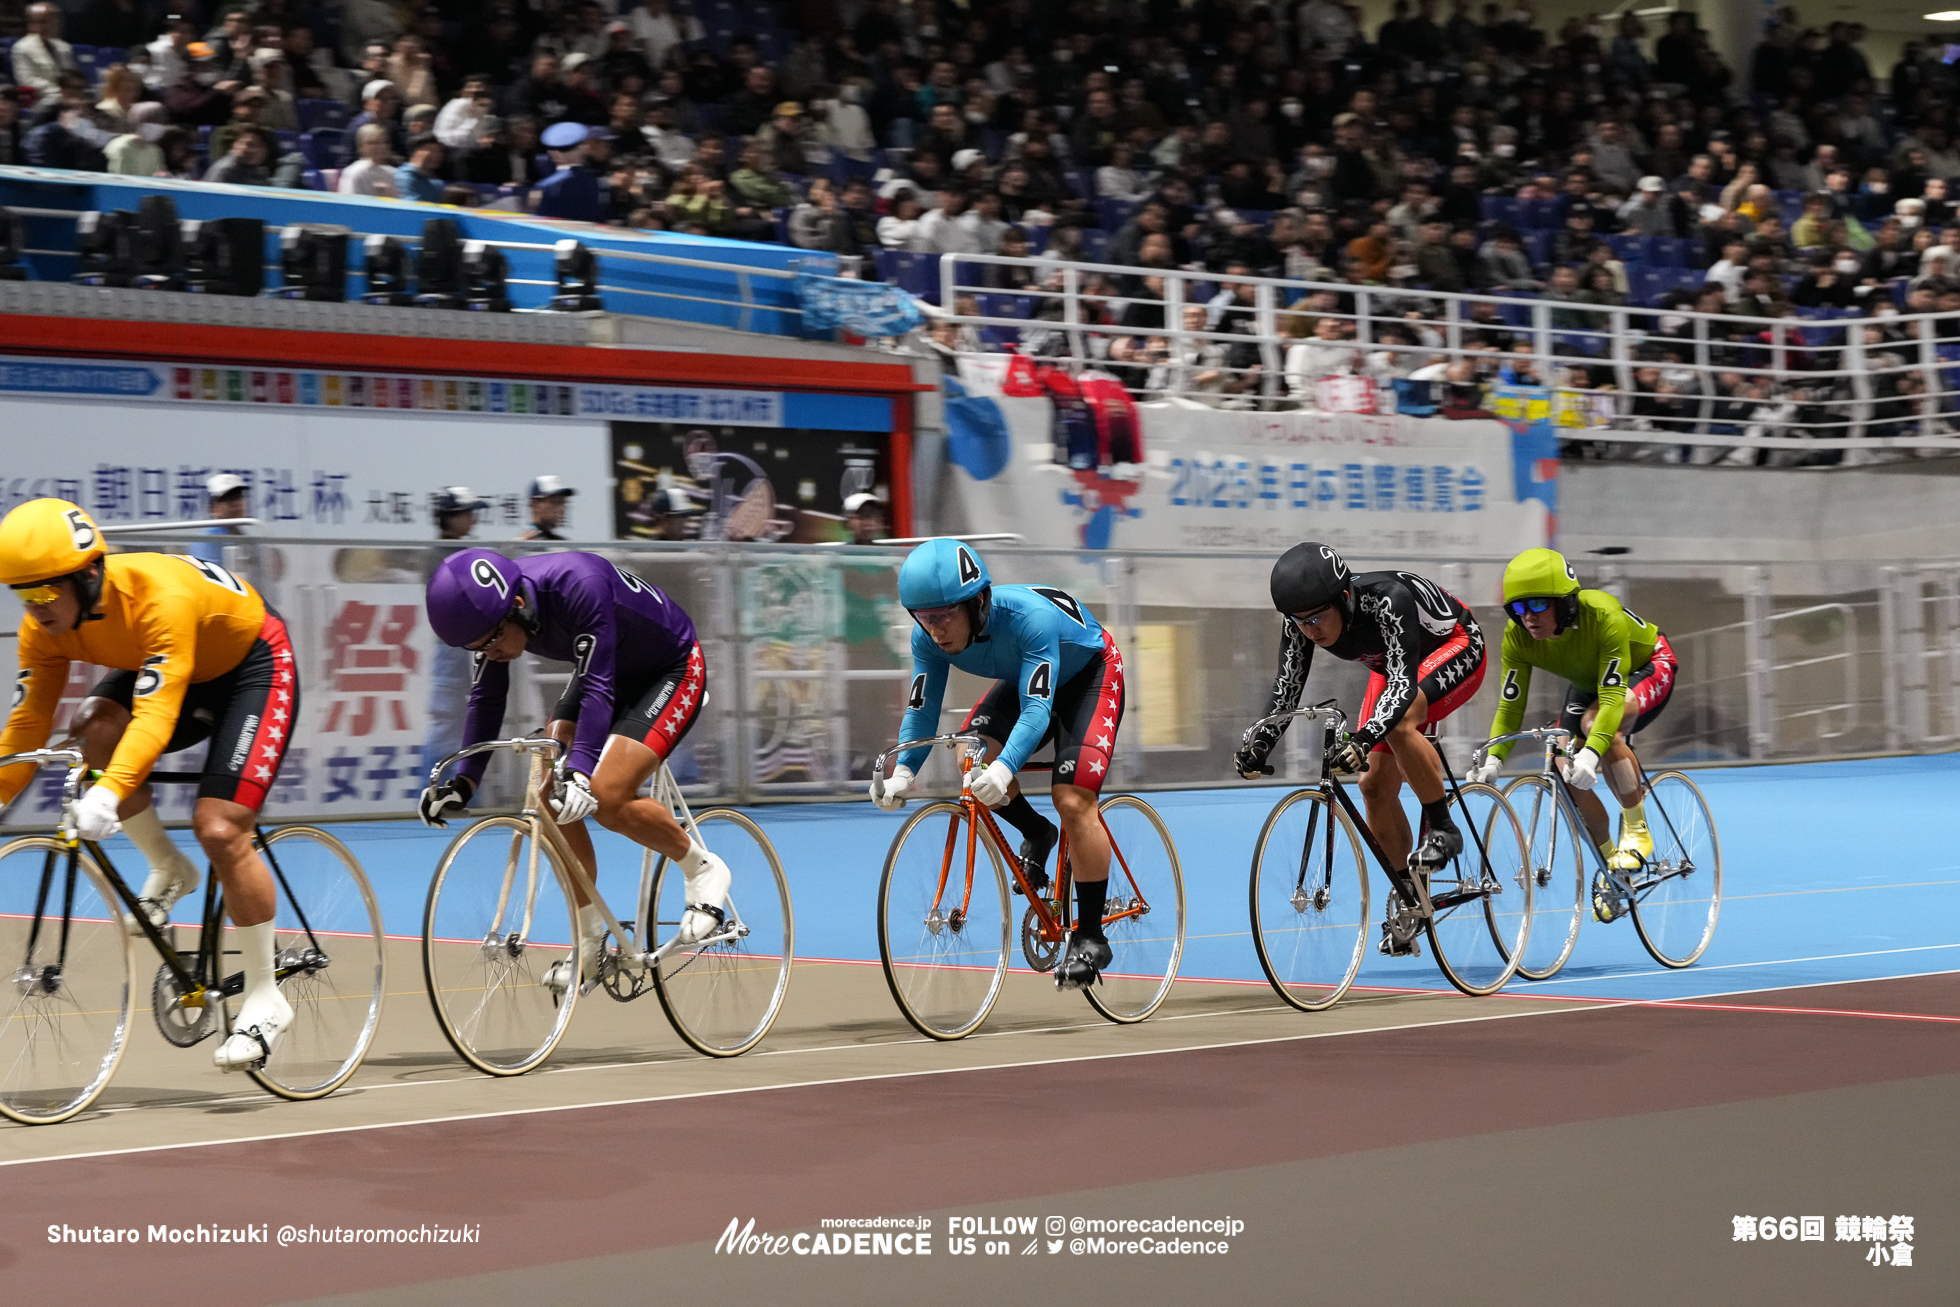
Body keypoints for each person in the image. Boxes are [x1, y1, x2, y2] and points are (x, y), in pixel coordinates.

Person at [0, 499, 298, 1071]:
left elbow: (155, 716)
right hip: (177, 666)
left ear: (88, 576)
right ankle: (169, 867)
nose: (34, 610)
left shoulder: (156, 596)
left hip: (253, 664)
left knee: (219, 826)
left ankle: (265, 995)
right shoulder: (47, 629)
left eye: (42, 594)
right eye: (22, 597)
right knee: (92, 730)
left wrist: (108, 793)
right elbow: (26, 726)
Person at [418, 549, 729, 997]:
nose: (490, 653)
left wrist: (581, 771)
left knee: (608, 793)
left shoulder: (575, 584)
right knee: (546, 795)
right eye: (478, 649)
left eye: (491, 642)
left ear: (517, 607)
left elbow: (599, 687)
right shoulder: (497, 617)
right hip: (608, 665)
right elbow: (485, 698)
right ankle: (589, 943)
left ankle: (703, 868)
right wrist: (464, 781)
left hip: (671, 668)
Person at [872, 540, 1127, 989]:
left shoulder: (1030, 620)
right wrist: (903, 773)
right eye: (924, 617)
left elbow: (1036, 709)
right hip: (1027, 676)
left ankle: (1090, 936)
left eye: (945, 615)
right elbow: (922, 709)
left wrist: (1007, 767)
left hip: (1090, 674)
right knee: (970, 757)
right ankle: (1036, 832)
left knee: (1071, 798)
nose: (935, 630)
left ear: (979, 602)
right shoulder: (927, 637)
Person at [1233, 544, 1487, 898]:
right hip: (1396, 663)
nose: (1308, 630)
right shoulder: (1301, 621)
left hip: (1456, 644)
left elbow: (1401, 687)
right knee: (1373, 787)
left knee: (1398, 723)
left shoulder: (1387, 601)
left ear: (1344, 598)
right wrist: (1260, 743)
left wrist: (1363, 739)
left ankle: (1444, 829)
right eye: (1297, 621)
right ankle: (1411, 895)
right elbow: (1287, 687)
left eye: (1316, 619)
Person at [1466, 548, 1678, 921]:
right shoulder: (1517, 638)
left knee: (1597, 727)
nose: (1527, 617)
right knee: (1560, 758)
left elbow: (1612, 697)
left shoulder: (1602, 613)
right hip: (1590, 681)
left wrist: (1593, 753)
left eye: (1536, 604)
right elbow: (1510, 706)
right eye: (1517, 608)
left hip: (1648, 666)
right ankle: (1613, 864)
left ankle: (1637, 829)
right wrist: (1495, 760)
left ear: (1563, 604)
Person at [189, 472, 250, 565]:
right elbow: (208, 576)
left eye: (239, 497)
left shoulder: (243, 535)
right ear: (213, 508)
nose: (237, 504)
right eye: (230, 499)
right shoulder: (207, 539)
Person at [518, 475, 575, 541]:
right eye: (555, 502)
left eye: (563, 503)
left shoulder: (563, 544)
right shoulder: (523, 544)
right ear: (535, 504)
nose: (561, 508)